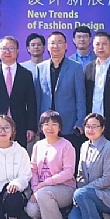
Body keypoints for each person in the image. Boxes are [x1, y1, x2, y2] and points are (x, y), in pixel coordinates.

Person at [25, 111, 76, 219]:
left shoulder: (66, 145)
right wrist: (35, 189)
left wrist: (45, 184)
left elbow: (69, 172)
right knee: (31, 209)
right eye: (46, 124)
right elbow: (33, 169)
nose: (50, 128)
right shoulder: (38, 145)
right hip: (42, 189)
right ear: (41, 127)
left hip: (65, 188)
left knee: (43, 194)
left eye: (54, 124)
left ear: (60, 127)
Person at [36, 31, 86, 159]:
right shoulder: (40, 68)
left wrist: (80, 121)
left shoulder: (75, 67)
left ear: (66, 46)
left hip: (68, 124)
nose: (56, 46)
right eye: (52, 43)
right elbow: (37, 98)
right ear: (47, 47)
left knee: (68, 161)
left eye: (59, 43)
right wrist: (37, 122)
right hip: (46, 125)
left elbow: (80, 98)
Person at [68, 113, 110, 219]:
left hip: (105, 194)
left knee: (81, 194)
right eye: (88, 126)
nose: (90, 129)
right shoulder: (84, 146)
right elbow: (80, 175)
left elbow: (108, 178)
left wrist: (82, 192)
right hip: (86, 194)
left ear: (103, 128)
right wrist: (80, 193)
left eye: (95, 126)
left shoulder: (109, 148)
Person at [0, 36, 37, 148]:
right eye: (4, 49)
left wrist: (31, 127)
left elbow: (31, 103)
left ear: (17, 51)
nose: (7, 52)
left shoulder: (26, 74)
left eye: (11, 49)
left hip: (20, 126)